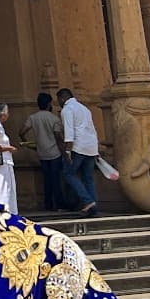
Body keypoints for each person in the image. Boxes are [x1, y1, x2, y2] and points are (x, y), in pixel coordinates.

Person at [57, 87, 100, 216]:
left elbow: (69, 131)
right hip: (91, 146)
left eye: (58, 99)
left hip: (78, 147)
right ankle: (93, 206)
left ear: (62, 98)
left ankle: (87, 201)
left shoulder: (67, 109)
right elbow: (92, 128)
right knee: (88, 178)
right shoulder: (84, 109)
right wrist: (96, 148)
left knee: (68, 173)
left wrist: (68, 151)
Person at [20, 93, 66, 212]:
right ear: (49, 104)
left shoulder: (33, 118)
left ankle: (48, 204)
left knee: (47, 180)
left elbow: (21, 132)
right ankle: (59, 204)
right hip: (55, 153)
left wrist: (27, 143)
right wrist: (64, 151)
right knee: (56, 180)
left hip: (42, 153)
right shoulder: (54, 118)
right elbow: (58, 136)